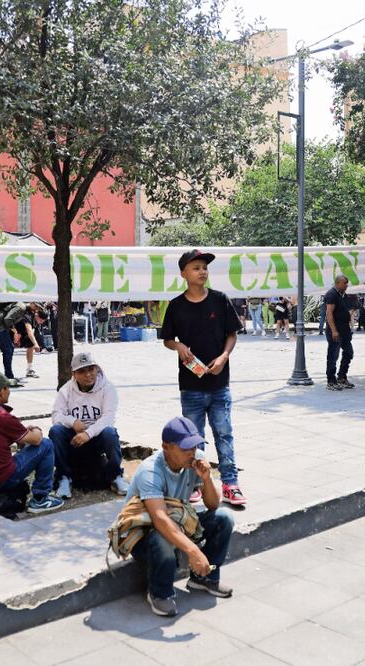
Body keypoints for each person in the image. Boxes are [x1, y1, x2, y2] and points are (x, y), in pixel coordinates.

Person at [161, 249, 246, 506]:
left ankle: (230, 484)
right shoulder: (175, 306)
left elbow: (232, 334)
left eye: (204, 267)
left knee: (224, 434)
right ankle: (195, 484)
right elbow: (167, 340)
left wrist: (223, 357)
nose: (202, 271)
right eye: (196, 267)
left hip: (220, 384)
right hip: (190, 387)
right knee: (194, 439)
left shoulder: (220, 300)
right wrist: (178, 347)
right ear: (184, 274)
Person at [126, 416, 234, 617]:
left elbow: (212, 505)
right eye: (185, 448)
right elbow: (160, 520)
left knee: (223, 517)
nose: (192, 452)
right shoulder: (150, 471)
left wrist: (206, 479)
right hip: (142, 534)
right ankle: (159, 593)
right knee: (162, 538)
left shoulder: (196, 459)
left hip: (177, 521)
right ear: (166, 447)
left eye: (194, 446)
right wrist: (194, 551)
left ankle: (204, 579)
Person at [0, 371, 64, 513]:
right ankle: (40, 498)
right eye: (7, 388)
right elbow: (36, 439)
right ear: (1, 391)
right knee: (46, 444)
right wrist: (36, 430)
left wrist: (21, 434)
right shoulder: (1, 416)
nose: (9, 392)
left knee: (28, 445)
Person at [49, 351, 126, 498]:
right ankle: (64, 478)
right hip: (75, 436)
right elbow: (56, 415)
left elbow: (108, 418)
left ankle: (116, 476)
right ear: (74, 374)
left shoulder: (107, 388)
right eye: (82, 371)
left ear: (97, 368)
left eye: (91, 369)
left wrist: (88, 433)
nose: (88, 374)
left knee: (110, 433)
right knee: (56, 431)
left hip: (96, 436)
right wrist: (72, 422)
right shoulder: (66, 390)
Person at [324, 275, 355, 391]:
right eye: (344, 283)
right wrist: (334, 331)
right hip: (335, 330)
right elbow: (329, 314)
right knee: (333, 356)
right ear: (337, 283)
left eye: (347, 283)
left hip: (345, 329)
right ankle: (331, 381)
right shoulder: (331, 294)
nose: (346, 285)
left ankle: (342, 376)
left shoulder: (343, 295)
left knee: (349, 352)